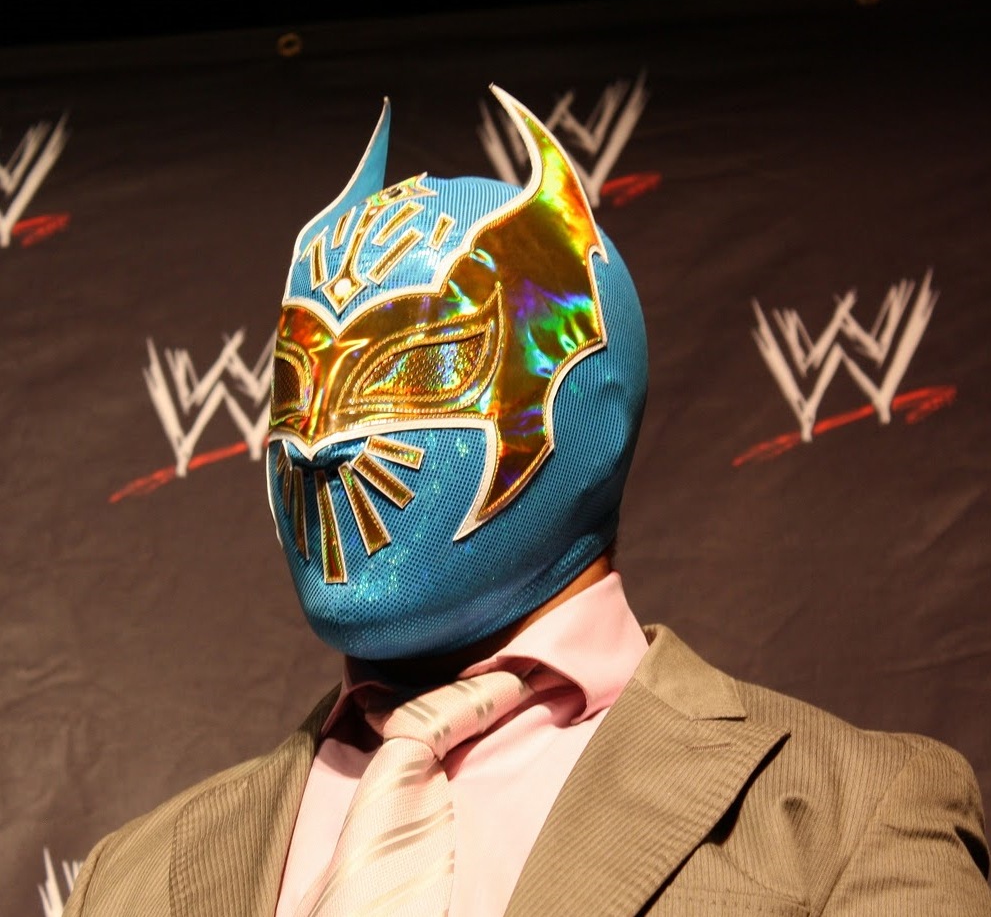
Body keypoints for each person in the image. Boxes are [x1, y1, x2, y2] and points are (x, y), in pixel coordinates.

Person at [63, 85, 991, 917]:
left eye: (415, 368)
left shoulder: (850, 819)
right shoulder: (131, 877)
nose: (318, 441)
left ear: (582, 383)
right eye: (296, 384)